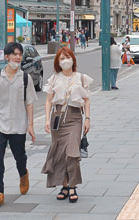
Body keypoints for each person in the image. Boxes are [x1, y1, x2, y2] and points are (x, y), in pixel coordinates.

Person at [0, 42, 36, 210]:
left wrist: (31, 125)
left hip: (19, 124)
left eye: (19, 54)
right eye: (14, 54)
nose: (18, 57)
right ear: (7, 57)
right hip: (0, 123)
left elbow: (29, 103)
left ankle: (23, 174)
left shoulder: (25, 78)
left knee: (20, 157)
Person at [42, 47, 92, 204]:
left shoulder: (81, 78)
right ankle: (65, 185)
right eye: (61, 59)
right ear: (57, 62)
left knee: (72, 152)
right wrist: (46, 120)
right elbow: (49, 100)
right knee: (60, 154)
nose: (65, 61)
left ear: (73, 59)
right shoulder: (54, 79)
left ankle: (72, 185)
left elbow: (86, 100)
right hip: (57, 118)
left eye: (67, 57)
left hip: (75, 117)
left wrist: (88, 119)